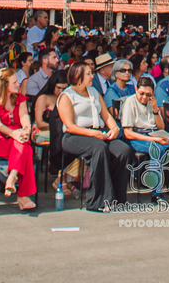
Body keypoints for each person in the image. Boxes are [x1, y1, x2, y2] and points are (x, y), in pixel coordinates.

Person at [57, 61, 134, 212]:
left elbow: (106, 116)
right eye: (88, 74)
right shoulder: (67, 95)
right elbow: (70, 125)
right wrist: (93, 133)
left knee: (123, 150)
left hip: (98, 132)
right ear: (78, 76)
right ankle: (98, 200)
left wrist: (114, 128)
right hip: (75, 136)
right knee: (99, 148)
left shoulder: (93, 92)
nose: (92, 76)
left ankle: (118, 199)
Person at [121, 75, 169, 203]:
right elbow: (128, 133)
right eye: (141, 93)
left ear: (152, 93)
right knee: (158, 149)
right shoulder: (130, 102)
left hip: (155, 134)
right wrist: (154, 140)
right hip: (138, 136)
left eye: (148, 94)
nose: (144, 97)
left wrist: (155, 109)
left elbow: (161, 126)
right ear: (136, 90)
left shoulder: (152, 101)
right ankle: (157, 193)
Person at [0, 68, 36, 211]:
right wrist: (14, 134)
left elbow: (24, 116)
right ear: (4, 85)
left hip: (18, 138)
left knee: (23, 144)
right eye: (14, 82)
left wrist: (26, 129)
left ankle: (12, 175)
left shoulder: (19, 98)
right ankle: (23, 196)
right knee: (26, 149)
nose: (18, 84)